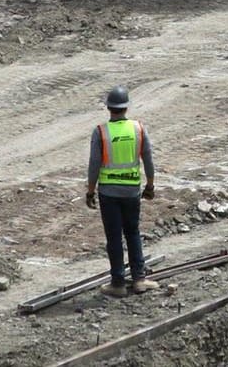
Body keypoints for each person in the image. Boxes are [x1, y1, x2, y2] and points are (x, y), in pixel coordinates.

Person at [85, 86, 158, 297]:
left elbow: (94, 165)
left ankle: (117, 283)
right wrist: (150, 185)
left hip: (109, 194)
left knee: (114, 237)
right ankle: (139, 279)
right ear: (126, 107)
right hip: (132, 192)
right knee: (133, 232)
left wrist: (90, 192)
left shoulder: (101, 132)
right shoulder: (138, 129)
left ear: (109, 108)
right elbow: (149, 160)